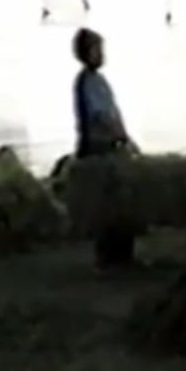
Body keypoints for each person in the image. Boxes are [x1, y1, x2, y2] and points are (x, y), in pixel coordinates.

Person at [72, 28, 140, 269]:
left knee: (118, 202)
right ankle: (112, 255)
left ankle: (120, 253)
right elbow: (101, 116)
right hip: (100, 149)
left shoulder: (98, 81)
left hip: (110, 145)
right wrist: (119, 135)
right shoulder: (88, 83)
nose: (102, 55)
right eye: (97, 50)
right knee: (110, 205)